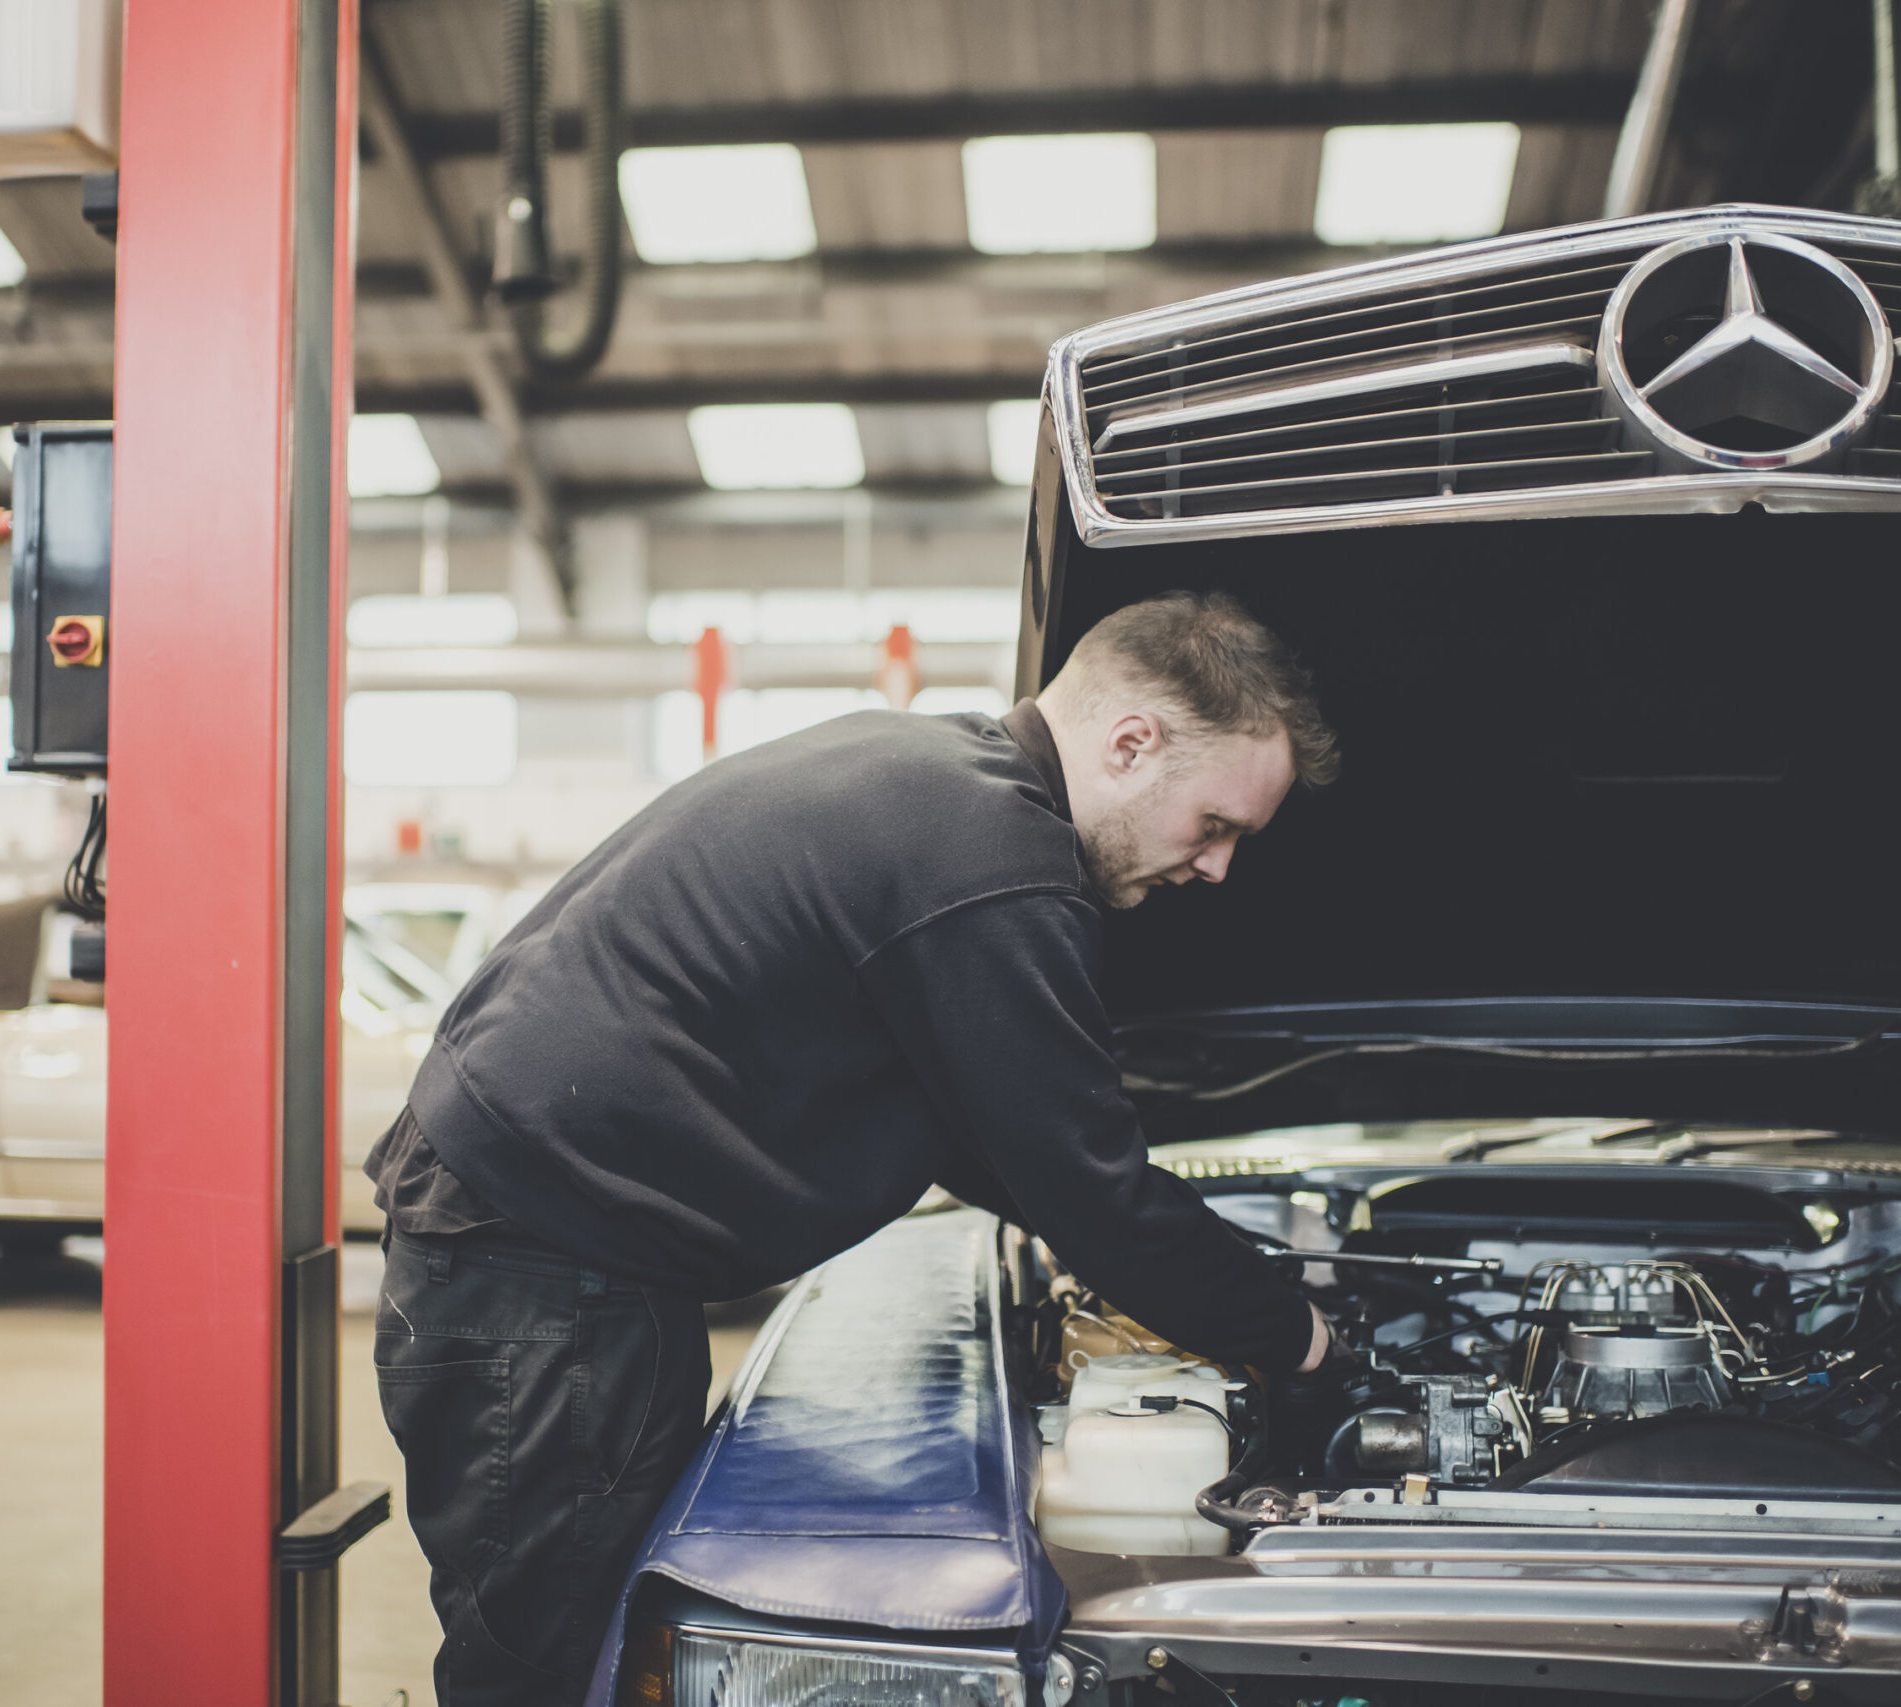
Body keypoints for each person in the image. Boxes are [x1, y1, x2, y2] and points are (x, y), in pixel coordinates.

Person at [367, 589, 1342, 1706]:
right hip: (541, 1273)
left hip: (529, 1244)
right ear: (1132, 744)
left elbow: (1001, 1146)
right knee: (544, 1666)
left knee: (559, 1642)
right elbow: (1087, 1193)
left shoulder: (936, 783)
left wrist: (1130, 1225)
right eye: (1215, 825)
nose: (1214, 869)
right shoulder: (993, 861)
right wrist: (1296, 1338)